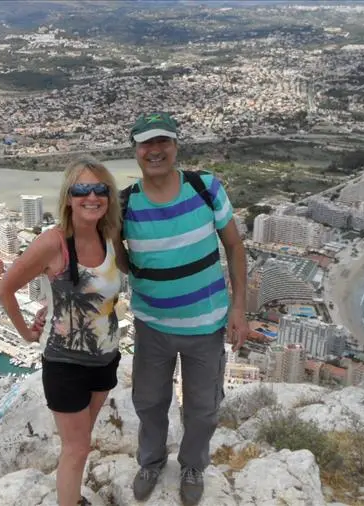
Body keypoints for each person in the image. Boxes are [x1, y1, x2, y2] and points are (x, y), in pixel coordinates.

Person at [120, 112, 249, 506]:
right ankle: (152, 461)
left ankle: (193, 464)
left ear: (175, 146)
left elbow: (235, 247)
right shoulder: (125, 204)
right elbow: (114, 257)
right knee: (149, 402)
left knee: (203, 407)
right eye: (146, 143)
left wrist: (239, 309)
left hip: (207, 324)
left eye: (162, 142)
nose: (154, 150)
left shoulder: (205, 186)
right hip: (152, 325)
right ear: (136, 150)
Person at [0, 157, 128, 506]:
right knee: (77, 447)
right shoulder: (53, 243)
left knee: (81, 444)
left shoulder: (110, 236)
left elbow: (103, 296)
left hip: (105, 360)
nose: (92, 197)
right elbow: (5, 288)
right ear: (68, 197)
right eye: (82, 189)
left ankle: (73, 497)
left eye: (101, 189)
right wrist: (26, 332)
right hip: (65, 364)